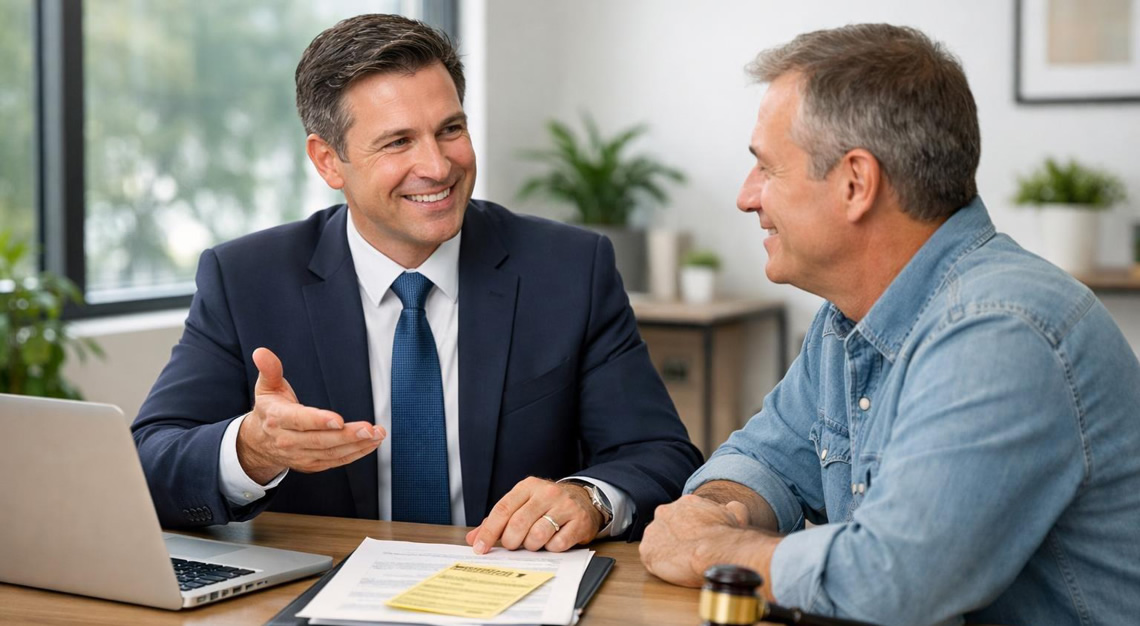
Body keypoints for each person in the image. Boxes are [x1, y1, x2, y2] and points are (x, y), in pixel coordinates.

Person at [132, 13, 701, 554]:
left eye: (450, 129)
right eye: (398, 142)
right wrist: (251, 451)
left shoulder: (571, 268)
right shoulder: (247, 279)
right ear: (329, 161)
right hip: (320, 595)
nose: (437, 165)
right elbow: (146, 462)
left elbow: (661, 455)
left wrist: (590, 498)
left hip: (506, 591)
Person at [638, 23, 1140, 625]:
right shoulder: (847, 319)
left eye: (767, 170)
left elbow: (896, 582)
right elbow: (764, 459)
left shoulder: (1001, 332)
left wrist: (724, 551)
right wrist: (715, 509)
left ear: (856, 183)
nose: (748, 198)